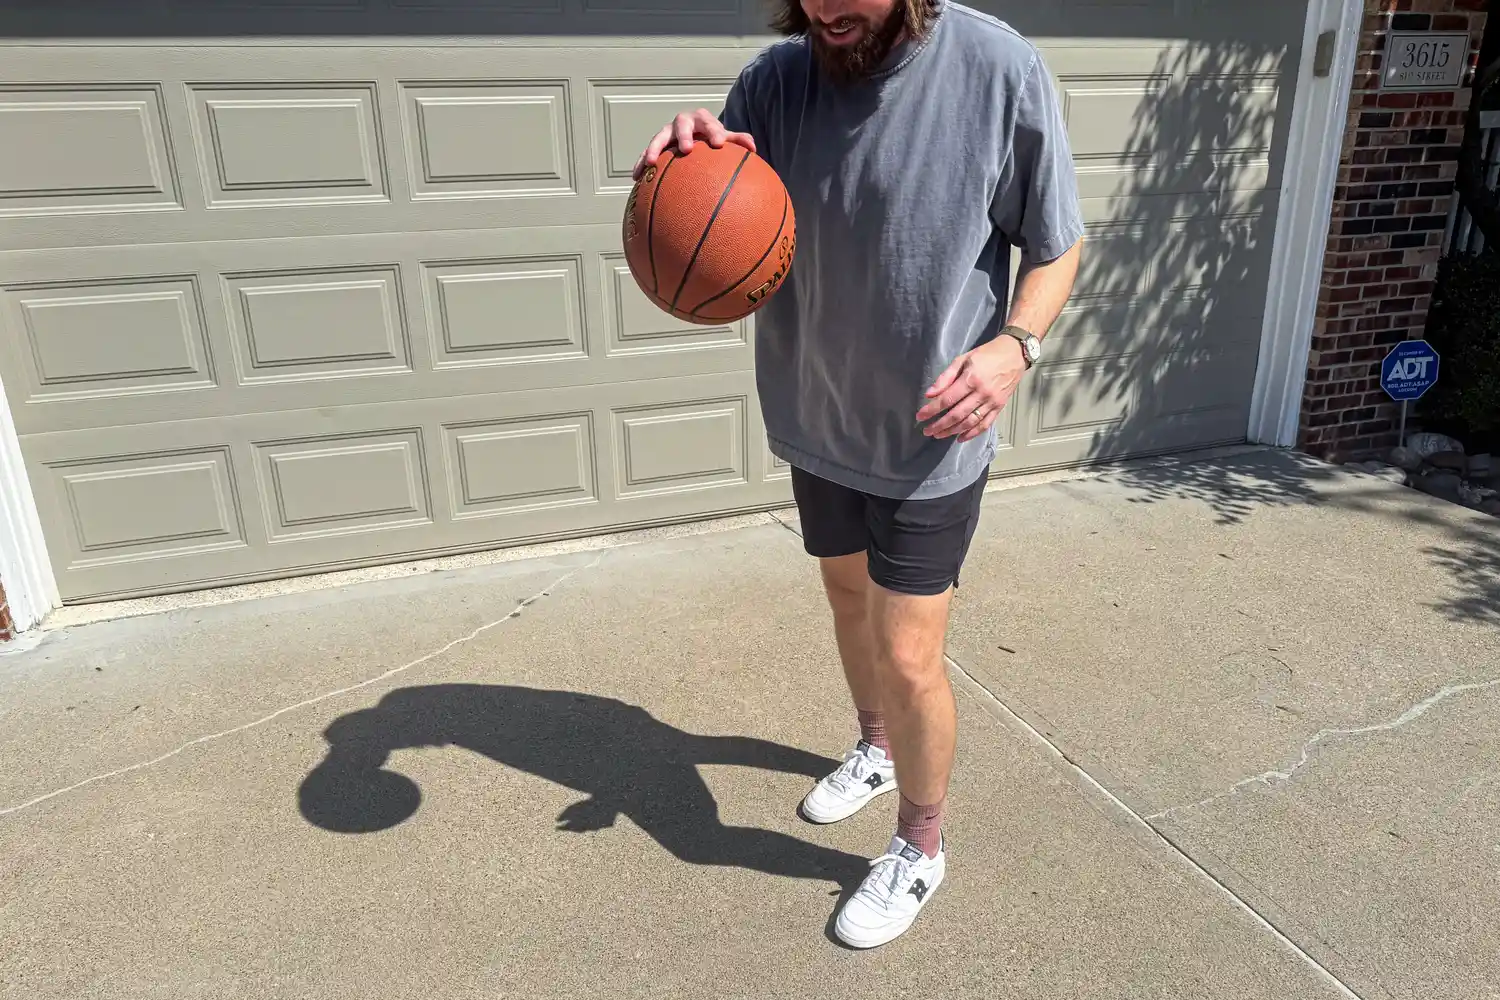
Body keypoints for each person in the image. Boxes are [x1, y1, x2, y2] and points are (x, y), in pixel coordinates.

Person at [632, 0, 1083, 949]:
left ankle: (922, 843)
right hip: (817, 409)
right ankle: (876, 749)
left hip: (932, 428)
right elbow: (723, 191)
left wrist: (1015, 347)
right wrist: (689, 155)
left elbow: (1057, 245)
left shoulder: (999, 71)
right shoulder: (776, 81)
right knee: (847, 601)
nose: (826, 10)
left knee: (910, 652)